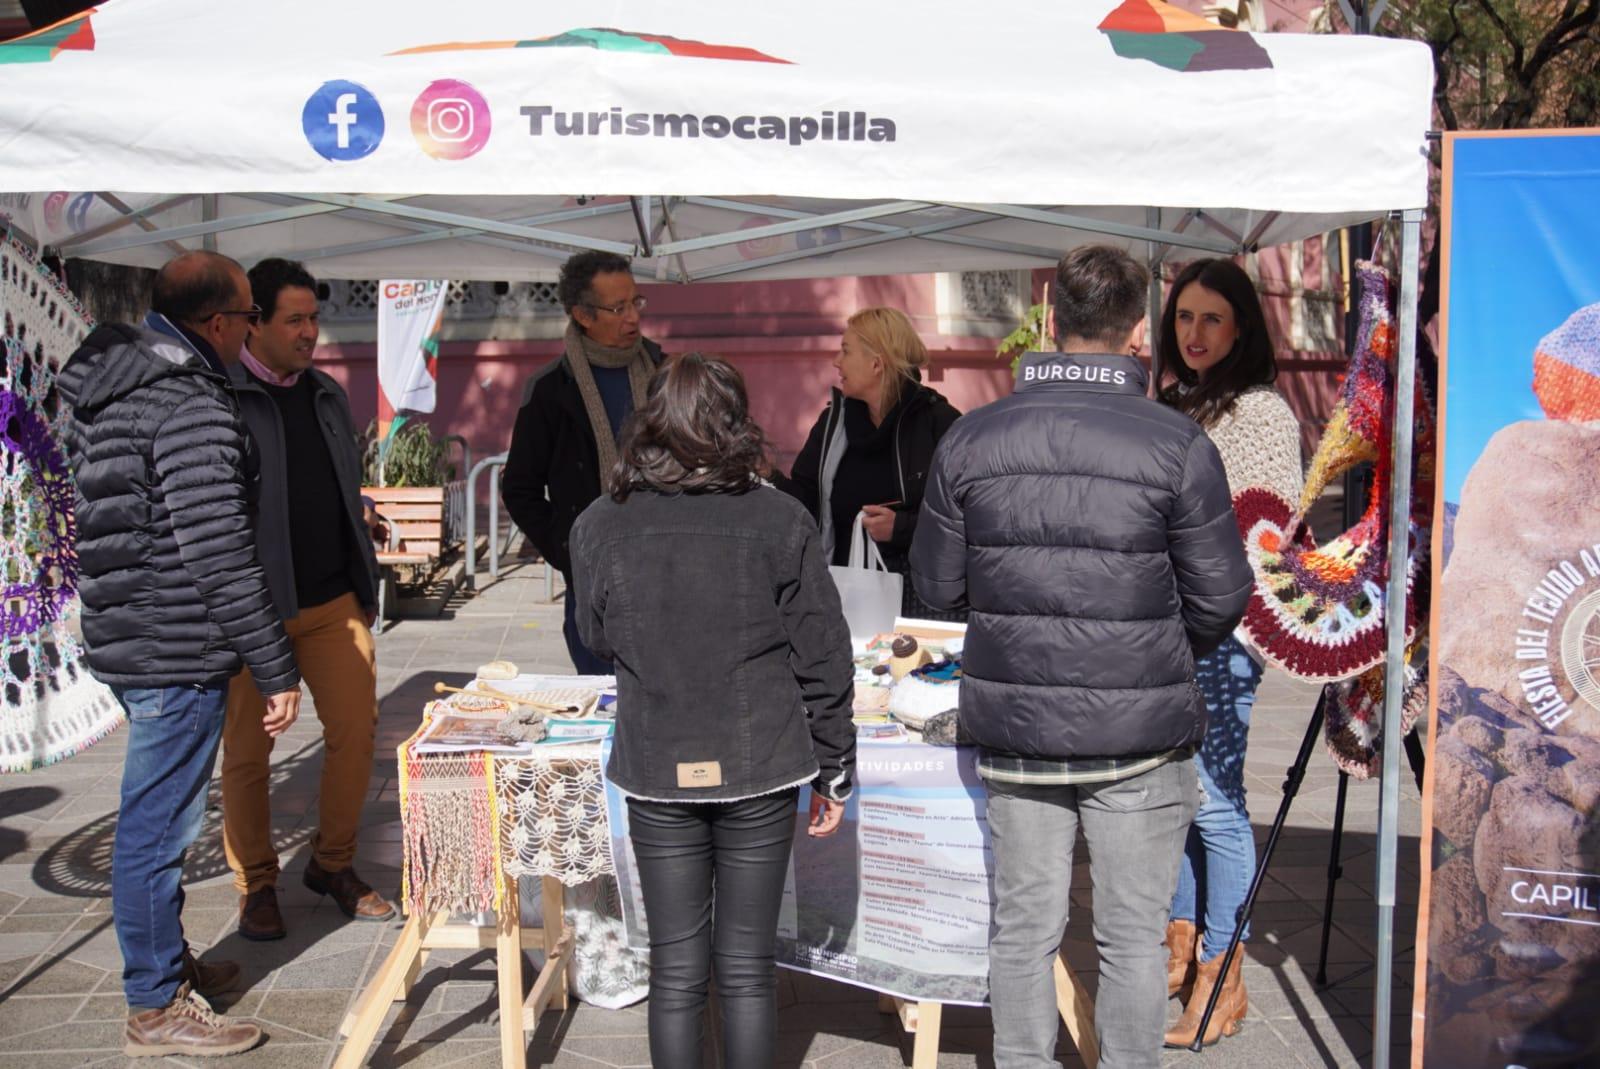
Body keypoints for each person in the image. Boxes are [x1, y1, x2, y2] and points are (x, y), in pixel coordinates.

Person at [910, 245, 1253, 1069]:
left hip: (1022, 728)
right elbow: (1222, 595)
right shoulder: (1176, 443)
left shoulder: (972, 438)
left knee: (1023, 929)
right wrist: (1153, 653)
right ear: (1139, 329)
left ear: (1052, 317)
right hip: (1139, 733)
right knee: (1132, 937)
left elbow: (935, 588)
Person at [569, 353, 856, 1069]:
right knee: (747, 969)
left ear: (651, 424)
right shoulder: (778, 516)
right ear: (733, 421)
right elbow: (825, 653)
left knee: (675, 972)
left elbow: (595, 636)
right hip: (760, 761)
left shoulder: (602, 522)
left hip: (659, 761)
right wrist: (836, 768)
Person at [58, 250, 302, 1058]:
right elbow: (218, 549)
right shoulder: (188, 398)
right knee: (158, 829)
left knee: (155, 819)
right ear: (219, 322)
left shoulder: (111, 379)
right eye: (248, 316)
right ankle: (155, 1001)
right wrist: (275, 665)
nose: (251, 330)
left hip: (133, 628)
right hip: (172, 642)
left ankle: (167, 964)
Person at [221, 258, 394, 942]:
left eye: (314, 317)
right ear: (251, 322)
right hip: (252, 612)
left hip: (331, 602)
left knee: (356, 733)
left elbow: (328, 482)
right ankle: (256, 883)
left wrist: (361, 514)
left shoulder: (325, 392)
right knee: (247, 754)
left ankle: (332, 864)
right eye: (294, 319)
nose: (310, 332)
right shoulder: (221, 396)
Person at [1156, 257, 1303, 1048]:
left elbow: (1261, 535)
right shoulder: (1182, 402)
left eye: (1212, 318)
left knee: (1214, 800)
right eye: (1185, 317)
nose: (1195, 332)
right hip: (1172, 627)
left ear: (1241, 325)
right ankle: (1182, 948)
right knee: (1179, 791)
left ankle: (1223, 973)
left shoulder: (1261, 414)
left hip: (1228, 630)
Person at [502, 250, 665, 674]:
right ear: (583, 315)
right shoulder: (550, 391)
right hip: (595, 579)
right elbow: (520, 488)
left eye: (636, 303)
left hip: (669, 569)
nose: (632, 318)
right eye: (617, 308)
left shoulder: (665, 374)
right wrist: (568, 550)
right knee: (605, 702)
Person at [773, 306, 962, 619]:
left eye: (846, 351)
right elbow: (807, 505)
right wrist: (771, 477)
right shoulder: (833, 424)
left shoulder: (938, 423)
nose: (836, 362)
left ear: (876, 363)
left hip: (922, 608)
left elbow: (966, 516)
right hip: (847, 602)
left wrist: (901, 528)